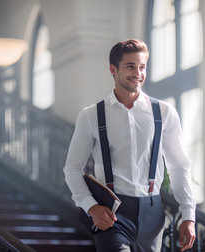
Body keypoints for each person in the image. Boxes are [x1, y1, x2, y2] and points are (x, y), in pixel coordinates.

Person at [63, 39, 196, 251]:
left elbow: (179, 166)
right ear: (112, 70)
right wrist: (92, 207)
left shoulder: (164, 113)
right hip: (113, 214)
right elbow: (71, 169)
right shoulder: (91, 116)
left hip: (153, 214)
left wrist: (188, 216)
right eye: (130, 66)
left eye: (142, 67)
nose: (138, 73)